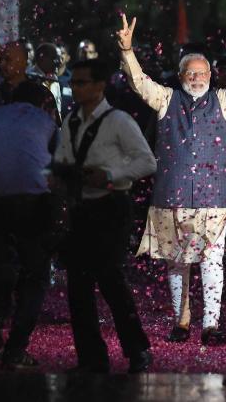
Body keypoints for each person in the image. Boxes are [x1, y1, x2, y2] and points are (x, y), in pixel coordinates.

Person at [118, 13, 226, 345]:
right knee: (176, 263)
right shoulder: (166, 99)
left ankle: (211, 324)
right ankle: (181, 320)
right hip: (172, 196)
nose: (196, 77)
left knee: (212, 261)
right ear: (181, 75)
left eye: (201, 72)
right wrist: (127, 51)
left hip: (214, 197)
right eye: (190, 73)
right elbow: (138, 82)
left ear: (211, 74)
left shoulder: (224, 100)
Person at [53, 58, 156, 373]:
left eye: (83, 82)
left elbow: (148, 162)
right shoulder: (71, 120)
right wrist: (59, 177)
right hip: (81, 209)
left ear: (100, 86)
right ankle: (91, 357)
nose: (76, 87)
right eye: (75, 82)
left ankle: (136, 349)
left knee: (111, 279)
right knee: (78, 288)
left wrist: (110, 174)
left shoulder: (119, 121)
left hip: (112, 207)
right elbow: (61, 159)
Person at [0, 82, 59, 369]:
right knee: (35, 276)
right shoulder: (44, 120)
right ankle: (15, 348)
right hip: (31, 201)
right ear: (42, 103)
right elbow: (60, 166)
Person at [28, 43, 62, 113]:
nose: (58, 62)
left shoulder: (54, 78)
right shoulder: (29, 78)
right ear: (42, 58)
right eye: (54, 59)